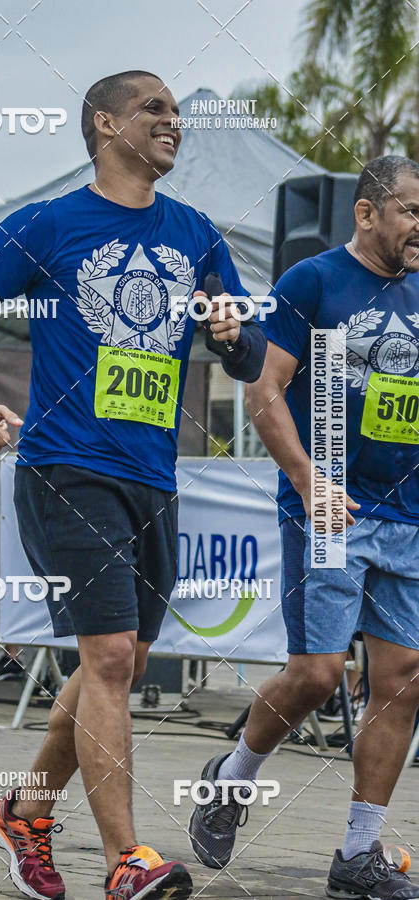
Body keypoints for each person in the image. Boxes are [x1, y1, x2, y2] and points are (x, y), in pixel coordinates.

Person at [0, 70, 266, 900]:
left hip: (154, 477)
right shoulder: (48, 224)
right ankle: (126, 862)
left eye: (178, 114)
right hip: (66, 468)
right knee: (112, 657)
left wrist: (231, 335)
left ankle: (23, 809)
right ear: (103, 124)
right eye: (154, 110)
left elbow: (250, 358)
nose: (173, 123)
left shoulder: (195, 233)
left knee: (116, 662)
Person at [188, 156, 419, 899]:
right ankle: (231, 780)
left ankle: (358, 855)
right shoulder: (314, 282)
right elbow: (264, 389)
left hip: (409, 514)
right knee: (318, 675)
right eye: (411, 212)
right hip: (331, 508)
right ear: (367, 213)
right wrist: (308, 480)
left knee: (403, 682)